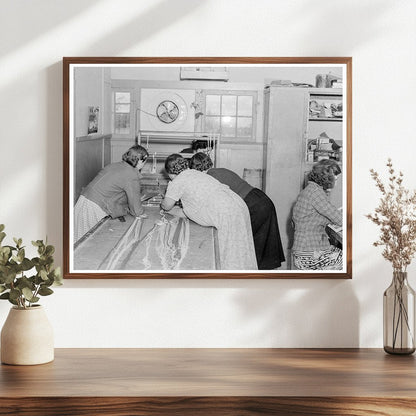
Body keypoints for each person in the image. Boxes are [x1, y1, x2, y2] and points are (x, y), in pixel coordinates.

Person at [160, 154, 257, 270]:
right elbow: (189, 210)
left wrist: (163, 203)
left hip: (224, 211)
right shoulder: (196, 174)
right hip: (238, 205)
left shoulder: (178, 181)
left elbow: (166, 205)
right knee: (241, 250)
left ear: (170, 173)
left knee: (228, 252)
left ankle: (230, 282)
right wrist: (172, 210)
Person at [189, 153, 285, 270]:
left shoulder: (210, 176)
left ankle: (255, 278)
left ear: (196, 168)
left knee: (252, 245)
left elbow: (208, 202)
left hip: (252, 204)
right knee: (264, 243)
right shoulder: (220, 170)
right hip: (261, 198)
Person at [74, 145, 148, 243]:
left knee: (76, 237)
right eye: (145, 162)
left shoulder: (115, 165)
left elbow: (114, 191)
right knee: (86, 243)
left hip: (82, 200)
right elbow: (136, 208)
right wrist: (141, 213)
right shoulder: (131, 174)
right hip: (94, 207)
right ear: (140, 161)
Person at [291, 159, 343, 270]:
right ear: (327, 178)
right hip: (309, 251)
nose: (337, 182)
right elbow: (340, 220)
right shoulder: (316, 193)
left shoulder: (310, 190)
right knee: (350, 259)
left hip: (305, 248)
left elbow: (324, 216)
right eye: (336, 178)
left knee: (341, 253)